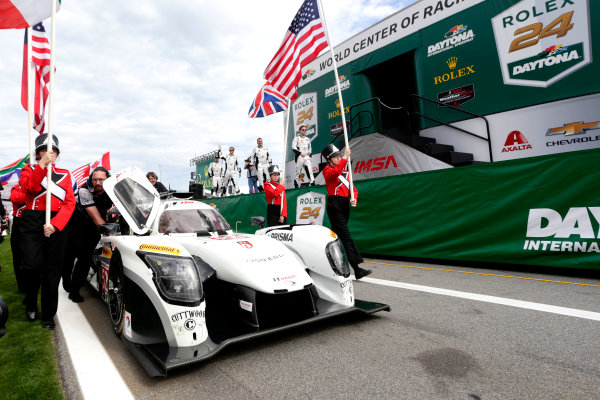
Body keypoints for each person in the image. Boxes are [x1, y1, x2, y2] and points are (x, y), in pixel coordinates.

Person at [18, 133, 76, 329]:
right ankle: (31, 301)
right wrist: (42, 165)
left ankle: (48, 315)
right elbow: (31, 188)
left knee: (53, 272)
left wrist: (56, 224)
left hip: (56, 222)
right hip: (32, 220)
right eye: (43, 150)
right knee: (32, 267)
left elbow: (70, 202)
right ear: (37, 153)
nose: (48, 153)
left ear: (57, 153)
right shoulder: (28, 170)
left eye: (51, 150)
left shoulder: (66, 174)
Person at [321, 144, 372, 280]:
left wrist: (354, 197)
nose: (338, 158)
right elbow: (335, 172)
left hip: (344, 205)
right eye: (335, 157)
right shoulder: (327, 170)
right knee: (346, 237)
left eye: (338, 156)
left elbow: (352, 188)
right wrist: (344, 157)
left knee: (335, 237)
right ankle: (357, 269)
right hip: (335, 204)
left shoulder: (345, 172)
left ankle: (323, 260)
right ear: (329, 160)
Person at [68, 167, 113, 303]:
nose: (98, 182)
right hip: (77, 223)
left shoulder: (112, 189)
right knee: (76, 256)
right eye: (95, 179)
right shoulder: (84, 189)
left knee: (86, 257)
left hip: (95, 223)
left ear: (108, 180)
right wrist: (110, 234)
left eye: (101, 179)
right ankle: (71, 288)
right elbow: (96, 218)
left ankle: (78, 286)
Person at [9, 184, 27, 293]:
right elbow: (16, 199)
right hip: (20, 222)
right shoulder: (17, 188)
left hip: (36, 222)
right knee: (18, 256)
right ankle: (22, 285)